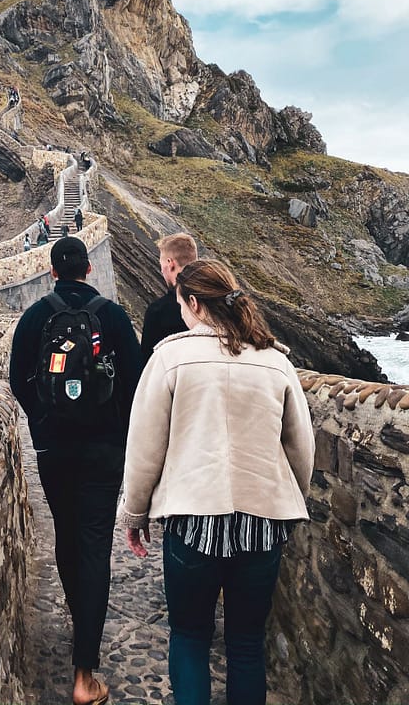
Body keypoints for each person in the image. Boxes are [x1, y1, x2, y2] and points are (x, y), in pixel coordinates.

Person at [119, 260, 315, 705]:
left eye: (181, 306)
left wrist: (135, 513)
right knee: (246, 641)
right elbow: (301, 450)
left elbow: (145, 448)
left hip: (192, 520)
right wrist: (289, 504)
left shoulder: (169, 359)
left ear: (194, 303)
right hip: (262, 520)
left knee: (190, 635)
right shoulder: (275, 362)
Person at [10, 237, 143, 705]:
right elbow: (136, 380)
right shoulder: (113, 316)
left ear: (52, 272)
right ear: (88, 269)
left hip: (55, 450)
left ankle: (78, 614)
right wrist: (117, 430)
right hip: (103, 452)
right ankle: (85, 673)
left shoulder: (35, 317)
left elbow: (17, 379)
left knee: (66, 535)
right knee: (94, 545)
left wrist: (43, 421)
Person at [140, 233, 198, 363]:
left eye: (161, 263)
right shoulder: (214, 302)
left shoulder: (158, 311)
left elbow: (148, 362)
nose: (161, 270)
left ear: (170, 263)